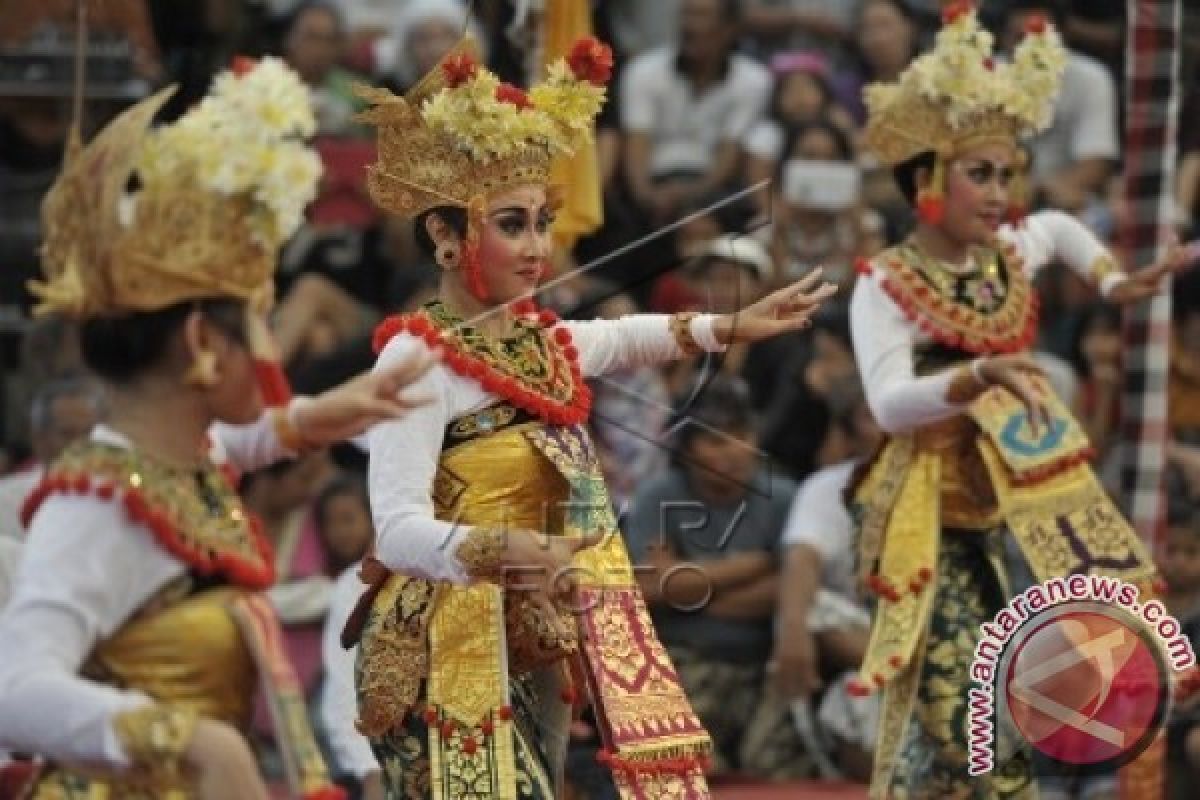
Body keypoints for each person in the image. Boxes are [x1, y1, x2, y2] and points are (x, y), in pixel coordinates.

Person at [345, 34, 837, 799]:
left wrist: (726, 327)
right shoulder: (415, 360)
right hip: (446, 644)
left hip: (535, 633)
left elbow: (625, 337)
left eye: (543, 221)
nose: (538, 245)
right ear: (444, 235)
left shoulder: (547, 342)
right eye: (512, 223)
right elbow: (397, 531)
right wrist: (509, 548)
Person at [0, 57, 434, 800]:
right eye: (257, 325)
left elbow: (237, 444)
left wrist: (317, 416)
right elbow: (14, 687)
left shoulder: (178, 467)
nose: (270, 352)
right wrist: (189, 741)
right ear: (202, 341)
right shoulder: (98, 504)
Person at [846, 5, 1189, 796]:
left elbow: (1064, 228)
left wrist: (1111, 278)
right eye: (981, 174)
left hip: (1013, 504)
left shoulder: (1006, 254)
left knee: (987, 708)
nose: (1002, 193)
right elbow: (890, 406)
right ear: (926, 180)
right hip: (922, 517)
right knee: (962, 705)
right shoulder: (886, 284)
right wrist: (975, 379)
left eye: (1007, 173)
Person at [625, 376, 810, 781]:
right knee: (684, 768)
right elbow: (650, 590)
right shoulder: (658, 495)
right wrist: (757, 564)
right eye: (714, 441)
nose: (732, 452)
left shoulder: (784, 497)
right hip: (685, 658)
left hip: (766, 662)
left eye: (740, 435)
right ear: (689, 450)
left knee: (774, 769)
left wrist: (692, 590)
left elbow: (795, 590)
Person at [0, 375, 105, 540]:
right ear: (39, 439)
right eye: (68, 434)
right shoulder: (5, 501)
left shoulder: (119, 500)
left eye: (89, 433)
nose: (81, 445)